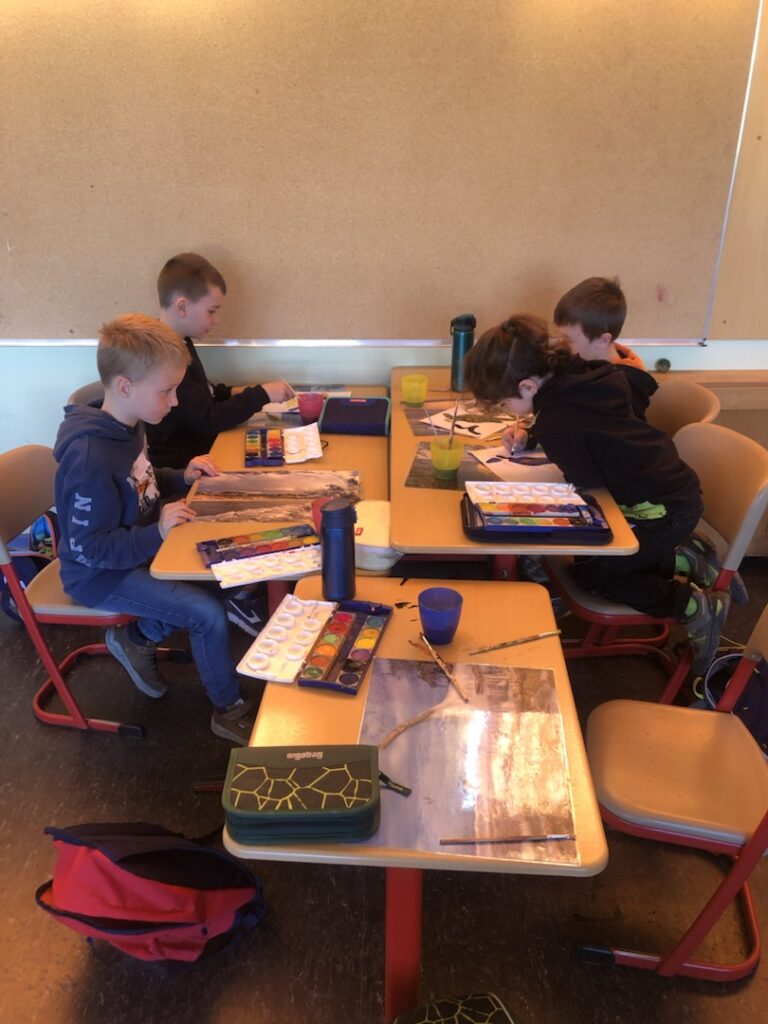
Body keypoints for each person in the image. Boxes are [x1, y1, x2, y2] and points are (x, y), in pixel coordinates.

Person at [464, 314, 730, 674]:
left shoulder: (559, 420)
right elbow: (590, 428)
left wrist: (550, 449)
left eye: (503, 405)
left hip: (658, 512)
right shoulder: (583, 376)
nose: (506, 413)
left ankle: (693, 607)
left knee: (595, 575)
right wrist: (534, 436)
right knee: (592, 557)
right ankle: (687, 559)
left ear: (527, 386)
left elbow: (589, 485)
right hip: (674, 491)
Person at [54, 313, 258, 743]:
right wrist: (157, 534)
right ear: (125, 387)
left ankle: (137, 637)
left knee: (226, 570)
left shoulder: (128, 423)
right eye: (166, 391)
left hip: (137, 546)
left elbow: (141, 481)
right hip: (98, 574)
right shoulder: (90, 459)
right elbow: (90, 549)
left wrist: (180, 475)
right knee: (206, 613)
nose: (176, 402)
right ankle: (228, 709)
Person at [145, 252, 291, 470]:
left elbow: (202, 393)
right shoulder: (163, 356)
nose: (216, 320)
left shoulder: (181, 341)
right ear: (182, 307)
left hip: (202, 455)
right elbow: (210, 418)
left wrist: (234, 391)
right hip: (183, 469)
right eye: (211, 311)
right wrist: (262, 394)